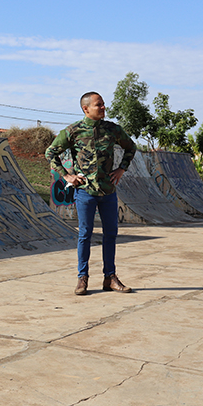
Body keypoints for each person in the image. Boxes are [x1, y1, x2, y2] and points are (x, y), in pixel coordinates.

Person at [45, 92, 137, 295]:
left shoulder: (112, 130)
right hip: (85, 192)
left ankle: (110, 278)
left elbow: (131, 147)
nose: (103, 108)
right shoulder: (73, 131)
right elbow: (50, 152)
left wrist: (121, 169)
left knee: (110, 234)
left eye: (103, 104)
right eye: (99, 105)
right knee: (85, 235)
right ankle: (82, 278)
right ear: (85, 109)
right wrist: (67, 176)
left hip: (108, 191)